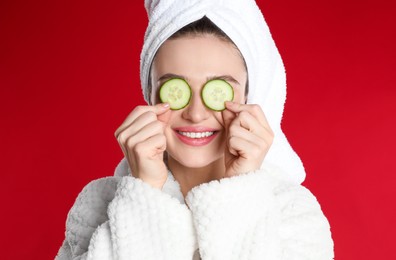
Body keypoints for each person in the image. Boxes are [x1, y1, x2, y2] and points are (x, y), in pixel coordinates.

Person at [56, 0, 334, 259]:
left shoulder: (294, 212)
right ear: (150, 95)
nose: (196, 113)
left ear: (249, 98)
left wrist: (239, 192)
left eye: (218, 90)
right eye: (176, 90)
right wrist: (145, 196)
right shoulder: (97, 204)